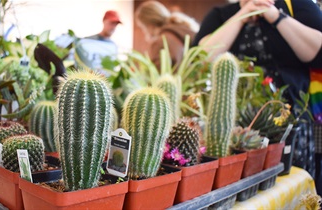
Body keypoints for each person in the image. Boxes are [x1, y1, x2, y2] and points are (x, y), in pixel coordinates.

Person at [192, 0, 322, 195]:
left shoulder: (299, 6)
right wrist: (242, 15)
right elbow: (201, 59)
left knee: (292, 188)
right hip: (235, 127)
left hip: (292, 124)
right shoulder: (221, 15)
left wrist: (275, 16)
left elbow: (316, 51)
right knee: (241, 192)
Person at [135, 0, 199, 69]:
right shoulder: (183, 29)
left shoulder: (160, 42)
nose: (144, 32)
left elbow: (157, 75)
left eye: (143, 28)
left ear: (149, 25)